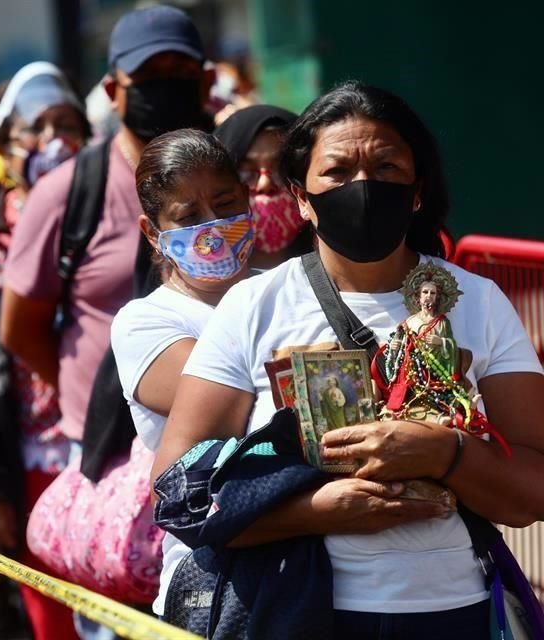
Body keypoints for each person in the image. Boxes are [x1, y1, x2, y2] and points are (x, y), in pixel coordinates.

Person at [152, 81, 544, 637]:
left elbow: (534, 489)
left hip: (453, 611)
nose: (363, 186)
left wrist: (446, 454)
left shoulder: (479, 302)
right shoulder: (254, 306)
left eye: (386, 167)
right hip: (299, 611)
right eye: (337, 171)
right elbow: (176, 489)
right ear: (301, 198)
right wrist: (317, 511)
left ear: (416, 191)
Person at [0, 4, 214, 451]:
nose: (165, 88)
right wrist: (92, 397)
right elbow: (20, 325)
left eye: (179, 71)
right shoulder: (66, 192)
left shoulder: (238, 178)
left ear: (206, 83)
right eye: (150, 76)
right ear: (114, 90)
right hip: (110, 450)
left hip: (225, 437)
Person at [0, 61, 89, 640]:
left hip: (106, 455)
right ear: (3, 149)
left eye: (66, 122)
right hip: (29, 462)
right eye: (37, 126)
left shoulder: (112, 215)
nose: (55, 139)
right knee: (52, 617)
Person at [109, 129, 253, 618]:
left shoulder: (282, 288)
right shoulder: (145, 323)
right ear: (153, 233)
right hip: (211, 577)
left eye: (226, 202)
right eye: (188, 217)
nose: (214, 226)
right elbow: (233, 400)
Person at [213, 104, 313, 269]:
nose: (264, 184)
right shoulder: (201, 283)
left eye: (280, 170)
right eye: (246, 172)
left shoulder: (341, 271)